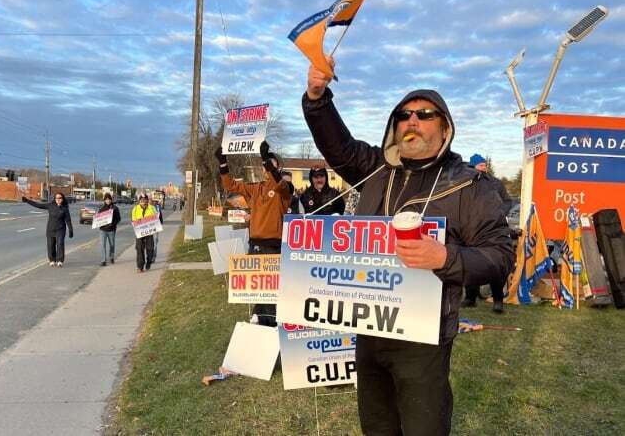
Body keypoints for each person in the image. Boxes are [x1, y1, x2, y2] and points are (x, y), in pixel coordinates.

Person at [304, 57, 514, 435]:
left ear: (445, 127)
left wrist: (445, 257)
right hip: (369, 330)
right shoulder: (376, 169)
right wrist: (318, 98)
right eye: (403, 115)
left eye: (425, 114)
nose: (412, 120)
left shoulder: (468, 185)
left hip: (423, 340)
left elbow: (500, 257)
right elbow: (340, 148)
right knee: (377, 427)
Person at [216, 141, 291, 326]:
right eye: (265, 165)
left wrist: (266, 158)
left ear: (277, 167)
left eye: (270, 165)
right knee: (257, 288)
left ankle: (274, 323)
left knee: (273, 289)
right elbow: (231, 185)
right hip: (255, 245)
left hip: (274, 246)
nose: (266, 168)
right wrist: (223, 162)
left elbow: (278, 182)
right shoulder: (255, 188)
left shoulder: (285, 188)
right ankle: (258, 320)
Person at [462, 153, 514, 313]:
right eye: (480, 165)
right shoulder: (466, 184)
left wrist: (498, 214)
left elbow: (507, 201)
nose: (484, 168)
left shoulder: (496, 183)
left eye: (485, 165)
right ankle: (470, 298)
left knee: (495, 264)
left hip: (493, 230)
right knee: (470, 263)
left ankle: (498, 301)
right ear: (473, 167)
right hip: (471, 230)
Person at [22, 193, 74, 267]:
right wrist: (27, 201)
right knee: (51, 245)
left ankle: (60, 260)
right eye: (57, 198)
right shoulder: (50, 206)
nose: (58, 199)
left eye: (60, 198)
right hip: (50, 229)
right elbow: (38, 205)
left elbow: (68, 220)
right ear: (55, 199)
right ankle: (52, 260)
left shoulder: (65, 208)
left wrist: (70, 230)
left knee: (60, 244)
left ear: (62, 199)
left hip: (60, 229)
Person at [132, 194, 157, 272]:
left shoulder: (152, 208)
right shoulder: (135, 209)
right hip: (139, 231)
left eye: (145, 200)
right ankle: (140, 266)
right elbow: (133, 219)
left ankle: (149, 262)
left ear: (147, 200)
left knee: (150, 248)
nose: (143, 202)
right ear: (139, 201)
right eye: (142, 200)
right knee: (139, 248)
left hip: (149, 231)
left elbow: (156, 218)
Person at [97, 193, 121, 266]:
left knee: (112, 244)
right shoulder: (101, 208)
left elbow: (118, 218)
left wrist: (113, 224)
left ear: (111, 200)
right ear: (104, 200)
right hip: (103, 230)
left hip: (111, 229)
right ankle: (103, 260)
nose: (108, 201)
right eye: (106, 199)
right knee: (102, 245)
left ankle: (111, 257)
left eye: (109, 199)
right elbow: (98, 219)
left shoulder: (115, 208)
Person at [150, 198, 164, 262]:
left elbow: (160, 216)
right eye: (153, 201)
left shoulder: (158, 207)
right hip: (149, 227)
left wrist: (160, 223)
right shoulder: (148, 207)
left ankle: (153, 256)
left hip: (156, 226)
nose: (155, 202)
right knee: (150, 242)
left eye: (156, 201)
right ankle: (150, 255)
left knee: (155, 242)